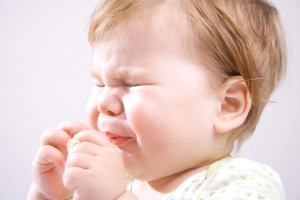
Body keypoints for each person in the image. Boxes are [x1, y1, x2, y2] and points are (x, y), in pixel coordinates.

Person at [27, 0, 287, 199]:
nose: (103, 103)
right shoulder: (116, 178)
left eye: (130, 83)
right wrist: (53, 195)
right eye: (99, 83)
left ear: (227, 106)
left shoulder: (246, 185)